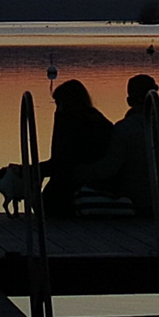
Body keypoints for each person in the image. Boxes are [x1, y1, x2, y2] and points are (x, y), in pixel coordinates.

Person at [77, 73, 159, 216]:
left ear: (129, 100)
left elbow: (109, 169)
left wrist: (77, 172)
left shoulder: (124, 128)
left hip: (138, 205)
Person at [37, 79, 113, 218]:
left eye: (58, 104)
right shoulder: (98, 120)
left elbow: (63, 161)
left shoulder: (72, 124)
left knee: (46, 201)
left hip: (77, 185)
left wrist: (33, 170)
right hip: (98, 181)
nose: (56, 109)